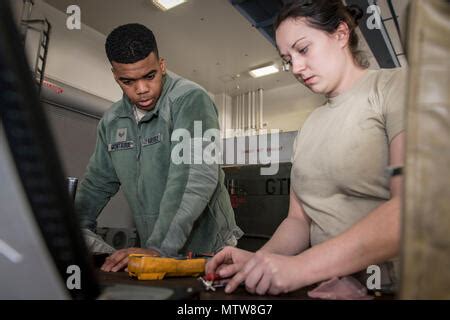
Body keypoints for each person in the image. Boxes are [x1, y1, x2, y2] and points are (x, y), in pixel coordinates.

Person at [206, 0, 406, 295]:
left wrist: (303, 267)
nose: (296, 68)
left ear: (340, 34)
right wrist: (261, 262)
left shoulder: (396, 88)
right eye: (288, 59)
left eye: (303, 49)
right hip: (328, 286)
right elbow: (299, 220)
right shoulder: (309, 127)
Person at [75, 23, 242, 272]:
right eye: (127, 81)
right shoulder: (111, 122)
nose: (141, 89)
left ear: (162, 65)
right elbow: (96, 183)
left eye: (149, 76)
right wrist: (70, 226)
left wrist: (159, 248)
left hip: (208, 251)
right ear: (115, 76)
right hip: (154, 248)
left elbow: (194, 177)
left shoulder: (190, 100)